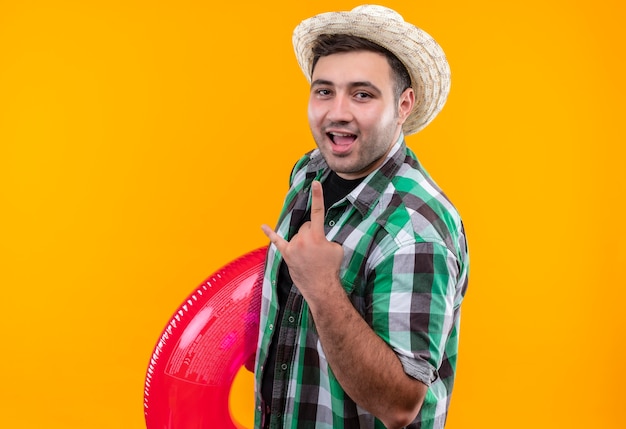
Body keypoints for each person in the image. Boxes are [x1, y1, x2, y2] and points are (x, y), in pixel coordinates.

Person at [253, 5, 469, 429]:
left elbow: (400, 406)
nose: (337, 112)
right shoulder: (310, 171)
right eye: (324, 91)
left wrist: (322, 288)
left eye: (362, 94)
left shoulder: (415, 230)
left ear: (404, 104)